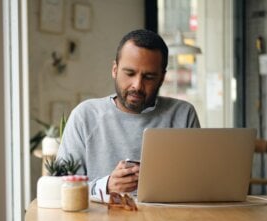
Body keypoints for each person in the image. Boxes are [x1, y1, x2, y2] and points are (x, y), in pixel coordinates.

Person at [56, 29, 200, 200]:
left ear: (162, 78)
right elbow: (60, 187)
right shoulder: (85, 116)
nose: (137, 85)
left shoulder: (183, 114)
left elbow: (197, 184)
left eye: (149, 77)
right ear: (115, 70)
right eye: (130, 73)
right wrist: (107, 186)